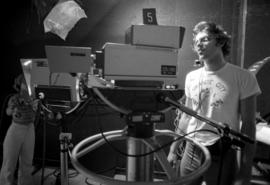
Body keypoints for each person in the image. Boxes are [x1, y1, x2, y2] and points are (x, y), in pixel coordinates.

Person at [167, 21, 261, 185]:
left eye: (205, 39)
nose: (199, 45)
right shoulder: (192, 77)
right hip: (192, 148)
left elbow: (248, 125)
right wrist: (173, 150)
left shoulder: (244, 77)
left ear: (221, 42)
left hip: (222, 150)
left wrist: (245, 171)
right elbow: (186, 117)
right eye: (196, 42)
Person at [0, 74, 38, 185]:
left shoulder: (34, 99)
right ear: (19, 85)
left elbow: (36, 111)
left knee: (27, 163)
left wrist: (33, 104)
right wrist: (12, 107)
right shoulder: (14, 98)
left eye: (29, 85)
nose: (27, 87)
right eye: (24, 85)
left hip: (29, 129)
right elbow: (8, 112)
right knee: (9, 163)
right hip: (16, 129)